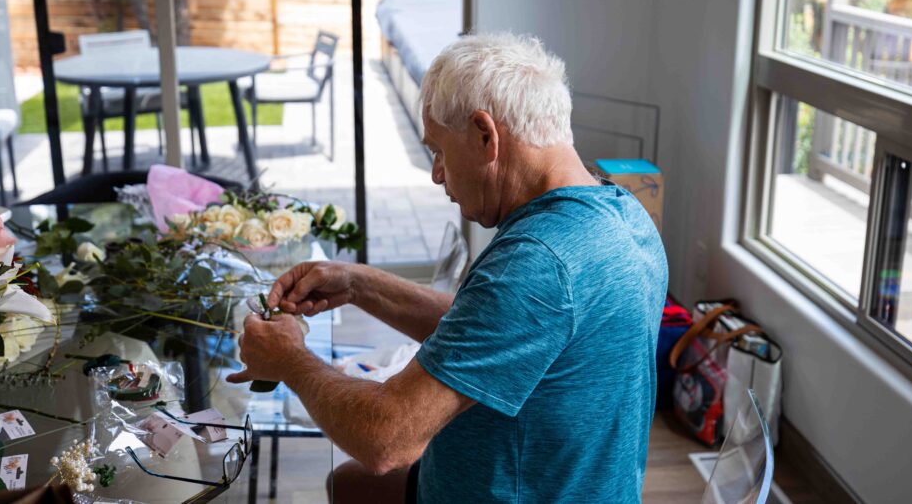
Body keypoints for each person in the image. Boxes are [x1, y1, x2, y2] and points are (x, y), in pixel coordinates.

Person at [228, 32, 668, 503]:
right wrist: (359, 284)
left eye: (438, 150)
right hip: (592, 487)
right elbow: (494, 331)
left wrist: (291, 361)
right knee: (348, 485)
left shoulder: (536, 264)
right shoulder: (625, 213)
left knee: (361, 471)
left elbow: (387, 440)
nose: (437, 174)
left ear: (486, 135)